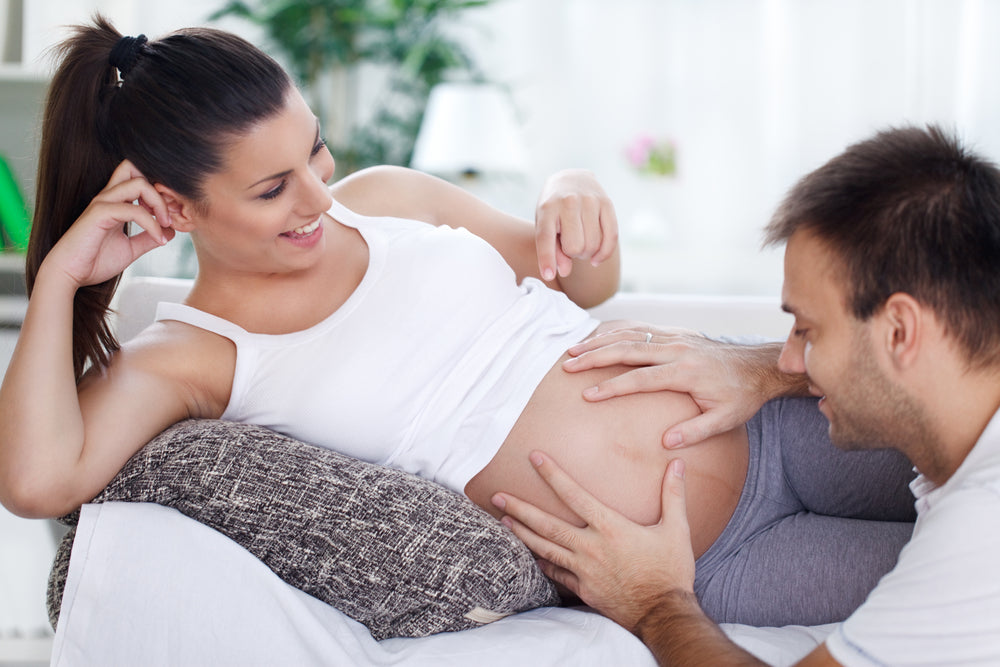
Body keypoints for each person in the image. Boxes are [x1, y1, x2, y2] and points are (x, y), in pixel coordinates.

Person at [0, 16, 911, 630]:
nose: (320, 196)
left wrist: (571, 191)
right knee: (962, 594)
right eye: (273, 189)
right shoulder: (195, 359)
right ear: (176, 207)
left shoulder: (387, 198)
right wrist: (61, 280)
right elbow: (37, 481)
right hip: (711, 560)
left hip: (782, 418)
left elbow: (586, 279)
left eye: (313, 148)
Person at [496, 125, 1000, 665]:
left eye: (807, 330)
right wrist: (758, 372)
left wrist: (656, 603)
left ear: (900, 332)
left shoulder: (982, 539)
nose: (785, 360)